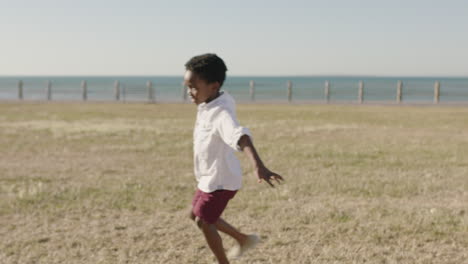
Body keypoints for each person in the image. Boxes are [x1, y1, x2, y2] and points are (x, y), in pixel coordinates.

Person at [184, 53, 284, 264]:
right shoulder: (210, 100)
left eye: (193, 87)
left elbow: (241, 136)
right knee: (195, 214)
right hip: (208, 177)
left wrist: (258, 165)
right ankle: (244, 239)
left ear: (213, 86)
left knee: (204, 221)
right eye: (187, 86)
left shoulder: (221, 114)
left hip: (220, 180)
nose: (189, 93)